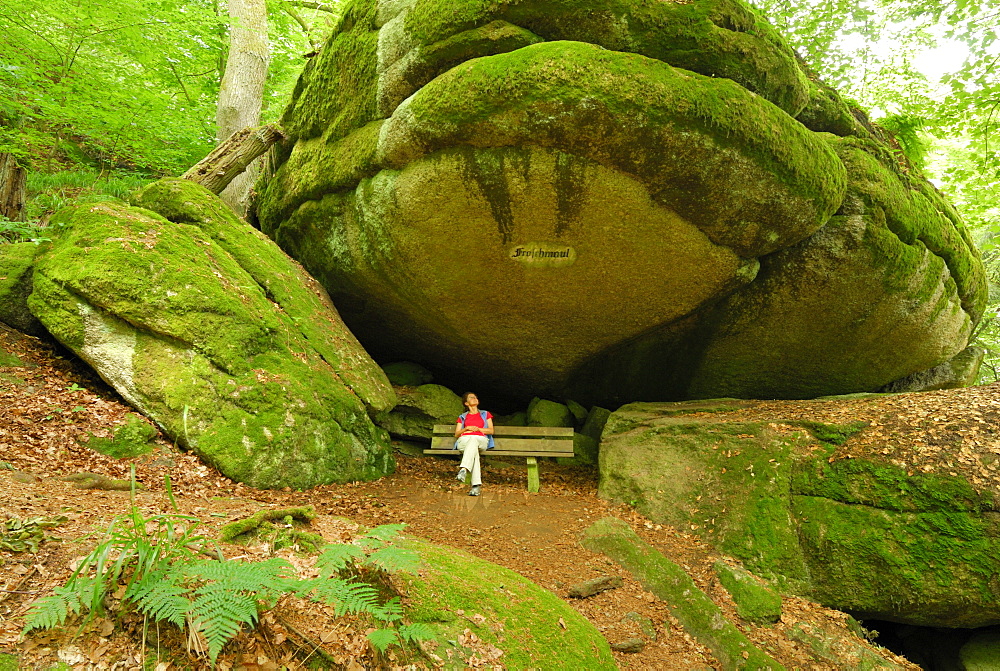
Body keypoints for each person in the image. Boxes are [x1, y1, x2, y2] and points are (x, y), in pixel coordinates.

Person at [453, 392, 494, 496]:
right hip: (464, 441)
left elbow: (491, 431)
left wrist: (477, 429)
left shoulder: (485, 414)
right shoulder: (462, 417)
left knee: (474, 440)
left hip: (481, 440)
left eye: (476, 397)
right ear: (466, 403)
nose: (475, 398)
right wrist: (466, 428)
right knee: (473, 446)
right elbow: (457, 434)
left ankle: (464, 468)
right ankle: (475, 486)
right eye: (471, 398)